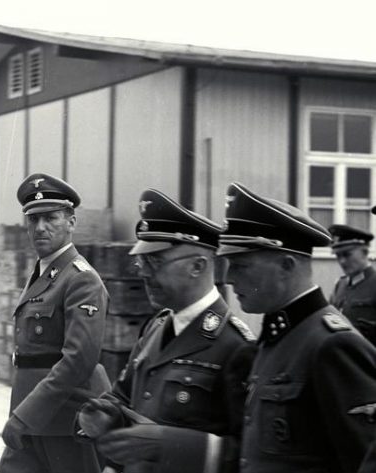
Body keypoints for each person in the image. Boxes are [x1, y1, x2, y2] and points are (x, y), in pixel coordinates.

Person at [76, 188, 257, 473]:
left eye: (155, 262)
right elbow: (124, 396)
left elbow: (250, 455)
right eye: (142, 261)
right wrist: (103, 415)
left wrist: (168, 443)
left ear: (197, 267)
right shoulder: (157, 327)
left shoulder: (236, 346)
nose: (143, 272)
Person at [218, 182, 376, 472]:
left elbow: (363, 458)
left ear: (287, 265)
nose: (229, 278)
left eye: (241, 265)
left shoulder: (333, 345)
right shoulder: (279, 336)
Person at [0, 172, 111, 473]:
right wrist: (23, 414)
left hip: (67, 419)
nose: (40, 227)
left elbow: (78, 361)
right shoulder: (43, 274)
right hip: (31, 415)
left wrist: (25, 416)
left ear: (71, 222)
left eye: (50, 218)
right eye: (33, 220)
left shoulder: (81, 279)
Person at [328, 224, 376, 345]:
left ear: (364, 252)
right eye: (338, 256)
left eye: (347, 254)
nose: (342, 261)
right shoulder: (340, 284)